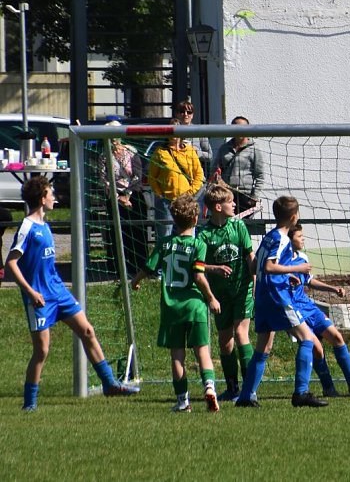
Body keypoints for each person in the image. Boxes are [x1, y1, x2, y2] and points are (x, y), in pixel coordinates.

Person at [6, 176, 138, 411]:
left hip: (59, 292)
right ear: (42, 198)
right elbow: (11, 263)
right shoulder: (27, 227)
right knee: (42, 350)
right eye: (50, 193)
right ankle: (30, 403)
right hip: (40, 298)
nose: (54, 198)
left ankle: (109, 384)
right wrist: (31, 292)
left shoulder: (46, 225)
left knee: (87, 331)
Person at [234, 196, 328, 408]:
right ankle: (301, 393)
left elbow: (255, 267)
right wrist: (297, 268)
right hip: (277, 297)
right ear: (294, 217)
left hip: (263, 297)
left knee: (263, 347)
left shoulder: (269, 237)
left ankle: (246, 396)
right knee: (306, 338)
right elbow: (268, 266)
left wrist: (285, 275)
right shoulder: (282, 239)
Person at [131, 193, 222, 413]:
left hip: (172, 307)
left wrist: (135, 281)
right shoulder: (198, 245)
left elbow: (148, 268)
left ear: (173, 219)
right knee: (202, 351)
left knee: (177, 356)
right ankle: (209, 388)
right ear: (196, 218)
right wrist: (211, 298)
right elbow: (198, 276)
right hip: (195, 306)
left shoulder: (164, 244)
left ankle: (182, 402)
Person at [287, 223, 350, 397]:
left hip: (308, 307)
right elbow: (270, 276)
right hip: (292, 310)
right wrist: (287, 276)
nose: (303, 239)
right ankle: (328, 388)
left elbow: (309, 281)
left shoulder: (302, 258)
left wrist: (333, 289)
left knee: (337, 337)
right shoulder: (280, 261)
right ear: (289, 240)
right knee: (317, 348)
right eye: (299, 236)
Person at [196, 183, 256, 402]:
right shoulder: (204, 234)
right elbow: (197, 266)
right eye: (230, 202)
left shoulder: (238, 226)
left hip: (242, 289)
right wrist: (215, 269)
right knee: (225, 342)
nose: (234, 205)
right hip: (220, 294)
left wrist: (255, 281)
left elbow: (250, 256)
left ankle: (250, 389)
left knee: (241, 334)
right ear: (218, 207)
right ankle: (232, 388)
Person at [99, 121, 148, 275]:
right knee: (117, 232)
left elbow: (138, 175)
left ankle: (139, 267)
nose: (113, 139)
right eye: (110, 136)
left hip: (134, 197)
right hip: (115, 198)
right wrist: (118, 197)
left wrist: (127, 196)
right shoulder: (104, 156)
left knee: (137, 232)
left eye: (115, 135)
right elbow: (104, 179)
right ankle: (118, 268)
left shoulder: (131, 151)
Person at [148, 118, 204, 239]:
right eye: (170, 130)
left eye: (176, 130)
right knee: (165, 236)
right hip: (166, 202)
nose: (173, 133)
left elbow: (199, 175)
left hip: (186, 201)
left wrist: (190, 193)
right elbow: (152, 176)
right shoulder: (160, 152)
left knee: (188, 235)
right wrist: (160, 194)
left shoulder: (190, 151)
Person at [213, 116, 266, 220]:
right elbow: (215, 169)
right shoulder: (224, 148)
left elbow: (260, 175)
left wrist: (254, 197)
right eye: (236, 127)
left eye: (243, 127)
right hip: (226, 195)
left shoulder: (254, 149)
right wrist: (218, 182)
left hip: (245, 196)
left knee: (243, 226)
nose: (239, 130)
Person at [174, 99, 212, 177]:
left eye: (189, 112)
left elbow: (210, 156)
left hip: (196, 175)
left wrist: (195, 152)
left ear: (192, 115)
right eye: (182, 112)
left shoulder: (200, 131)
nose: (186, 114)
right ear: (177, 114)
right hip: (177, 175)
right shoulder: (172, 132)